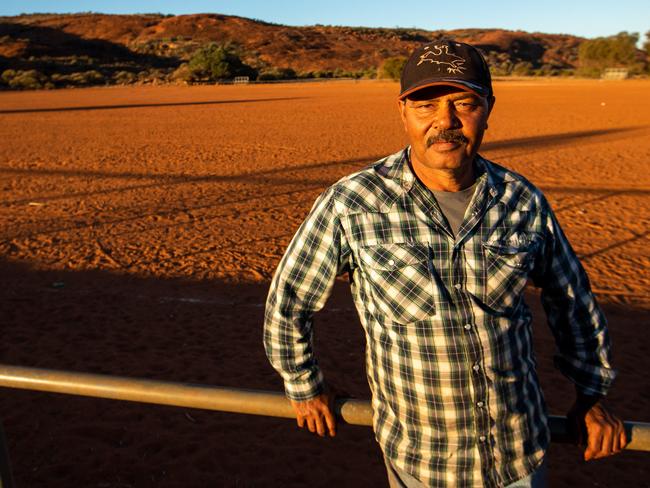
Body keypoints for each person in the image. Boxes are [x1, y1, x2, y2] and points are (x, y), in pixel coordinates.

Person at [263, 40, 626, 487]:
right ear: (403, 111)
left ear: (488, 108)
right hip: (422, 462)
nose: (445, 122)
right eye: (426, 105)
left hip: (519, 454)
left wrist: (591, 395)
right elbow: (289, 300)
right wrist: (305, 385)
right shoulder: (353, 203)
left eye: (464, 103)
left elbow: (573, 301)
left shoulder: (521, 200)